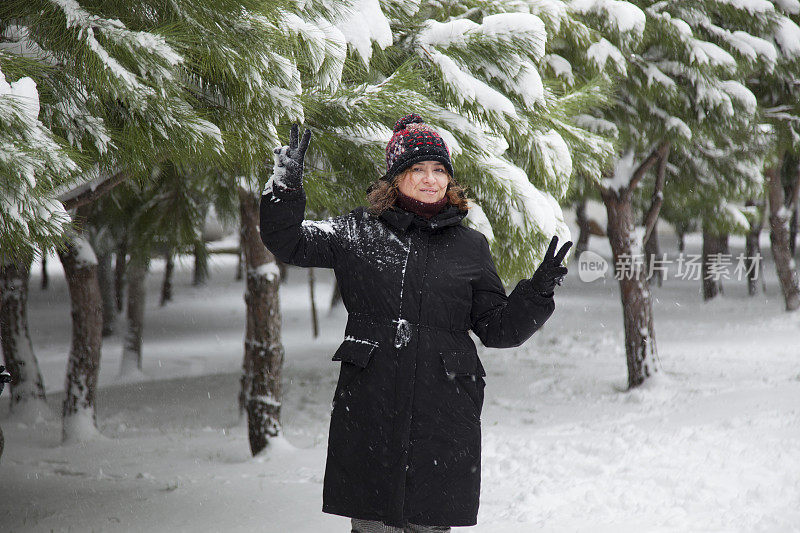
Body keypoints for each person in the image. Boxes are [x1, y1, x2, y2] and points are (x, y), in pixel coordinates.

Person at [259, 114, 571, 533]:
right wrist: (285, 188)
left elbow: (498, 329)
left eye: (439, 170)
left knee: (429, 518)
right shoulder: (358, 231)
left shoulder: (470, 247)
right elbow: (289, 240)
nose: (430, 179)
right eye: (418, 169)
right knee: (373, 522)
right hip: (372, 410)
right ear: (395, 177)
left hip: (442, 417)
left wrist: (538, 290)